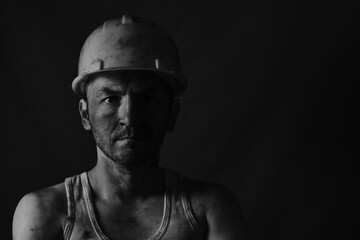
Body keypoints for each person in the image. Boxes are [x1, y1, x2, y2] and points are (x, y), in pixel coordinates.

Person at [12, 15, 246, 240]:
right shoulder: (46, 213)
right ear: (85, 114)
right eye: (111, 99)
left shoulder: (209, 210)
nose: (129, 117)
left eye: (147, 100)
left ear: (172, 114)